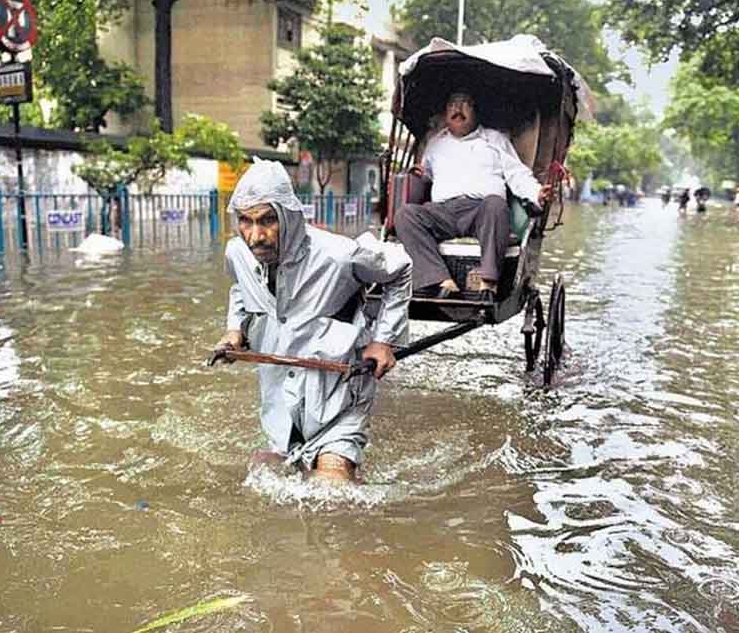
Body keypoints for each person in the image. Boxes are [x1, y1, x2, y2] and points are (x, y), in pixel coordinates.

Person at [211, 158, 412, 483]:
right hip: (279, 394)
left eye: (267, 221)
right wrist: (235, 330)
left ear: (288, 217)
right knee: (271, 481)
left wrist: (383, 341)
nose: (255, 236)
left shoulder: (338, 255)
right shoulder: (238, 253)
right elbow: (240, 289)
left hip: (339, 392)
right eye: (245, 222)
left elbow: (400, 269)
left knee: (331, 488)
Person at [394, 90, 551, 300]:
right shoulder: (435, 143)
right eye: (452, 104)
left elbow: (517, 175)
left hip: (482, 211)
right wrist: (418, 175)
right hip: (443, 212)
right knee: (405, 215)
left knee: (495, 204)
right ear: (445, 112)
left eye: (465, 103)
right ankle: (441, 280)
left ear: (475, 111)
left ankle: (488, 283)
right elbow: (426, 175)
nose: (457, 109)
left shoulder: (495, 139)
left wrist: (537, 193)